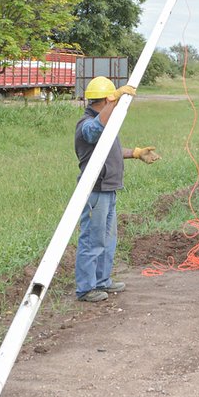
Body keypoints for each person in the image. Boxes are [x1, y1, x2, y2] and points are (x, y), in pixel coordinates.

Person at [74, 76, 160, 302]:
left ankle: (102, 281)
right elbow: (92, 132)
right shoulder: (86, 123)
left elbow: (109, 150)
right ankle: (85, 288)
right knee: (92, 239)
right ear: (105, 100)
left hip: (109, 189)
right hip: (96, 191)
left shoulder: (106, 123)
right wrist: (113, 102)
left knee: (107, 239)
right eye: (112, 101)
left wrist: (136, 153)